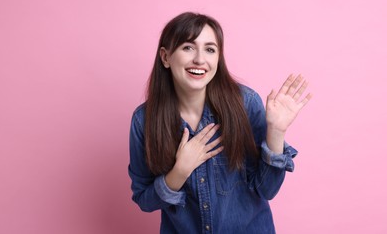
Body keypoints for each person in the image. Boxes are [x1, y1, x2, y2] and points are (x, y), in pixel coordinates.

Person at [128, 12, 312, 233]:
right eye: (188, 47)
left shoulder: (246, 104)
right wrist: (179, 172)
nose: (199, 59)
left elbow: (266, 191)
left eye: (210, 49)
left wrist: (276, 132)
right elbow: (144, 200)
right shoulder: (144, 121)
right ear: (166, 57)